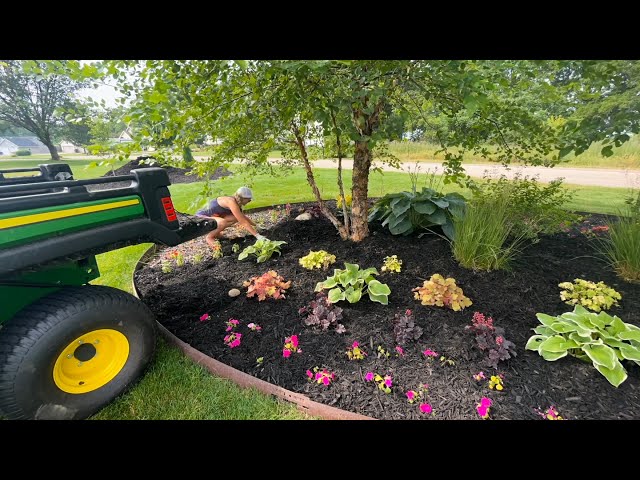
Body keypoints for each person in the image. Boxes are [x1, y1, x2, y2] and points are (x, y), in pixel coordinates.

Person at [195, 186, 267, 249]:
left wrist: (256, 226)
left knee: (235, 218)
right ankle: (210, 237)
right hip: (202, 218)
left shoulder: (236, 202)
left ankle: (217, 234)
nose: (250, 201)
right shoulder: (231, 202)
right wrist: (257, 236)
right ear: (242, 198)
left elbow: (242, 217)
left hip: (213, 217)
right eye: (249, 199)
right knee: (222, 222)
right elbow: (243, 222)